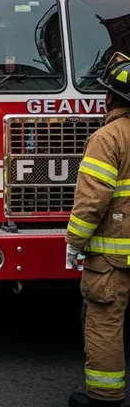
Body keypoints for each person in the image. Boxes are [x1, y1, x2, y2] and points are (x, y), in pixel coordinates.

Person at [66, 52, 130, 407]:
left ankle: (104, 397)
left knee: (105, 322)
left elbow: (93, 200)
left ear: (110, 97)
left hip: (113, 256)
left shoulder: (107, 138)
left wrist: (74, 241)